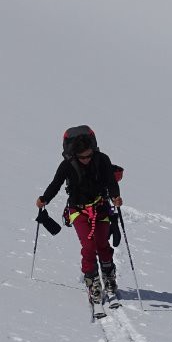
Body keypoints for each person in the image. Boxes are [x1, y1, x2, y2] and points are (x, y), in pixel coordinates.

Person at [36, 126, 123, 304]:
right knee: (89, 246)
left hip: (101, 208)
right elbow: (56, 184)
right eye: (82, 157)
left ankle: (108, 275)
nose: (86, 159)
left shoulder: (102, 160)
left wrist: (115, 196)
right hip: (77, 211)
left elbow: (111, 181)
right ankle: (92, 283)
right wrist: (44, 198)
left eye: (89, 155)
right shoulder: (67, 165)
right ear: (75, 154)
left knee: (102, 245)